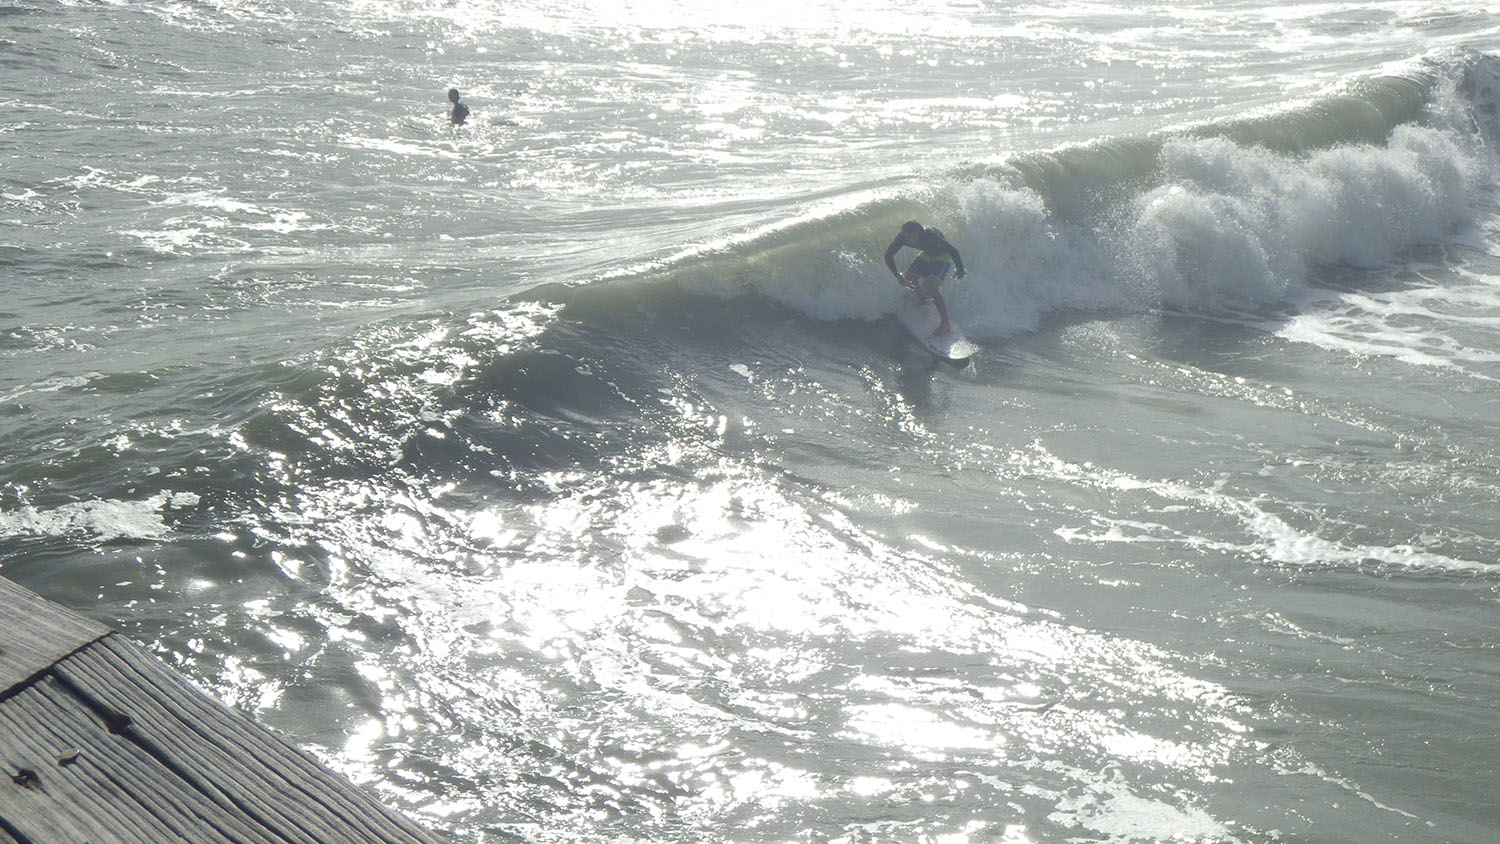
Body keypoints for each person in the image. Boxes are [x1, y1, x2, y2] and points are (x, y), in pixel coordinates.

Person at [884, 220, 966, 335]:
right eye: (907, 237)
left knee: (932, 286)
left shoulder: (930, 236)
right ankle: (923, 299)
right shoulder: (902, 237)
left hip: (942, 255)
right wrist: (897, 275)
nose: (909, 240)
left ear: (919, 234)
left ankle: (945, 324)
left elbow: (953, 251)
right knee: (908, 279)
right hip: (926, 254)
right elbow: (888, 255)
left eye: (912, 237)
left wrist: (960, 269)